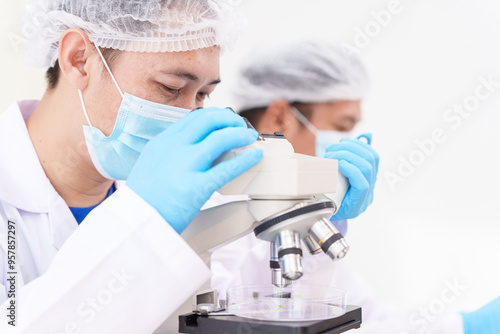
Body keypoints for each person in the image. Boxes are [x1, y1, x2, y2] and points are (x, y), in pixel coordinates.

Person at [0, 2, 378, 333]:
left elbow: (266, 305)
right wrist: (142, 222)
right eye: (169, 87)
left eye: (203, 95)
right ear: (79, 58)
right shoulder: (157, 198)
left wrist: (316, 211)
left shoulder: (190, 195)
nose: (187, 116)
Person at [219, 37, 500, 334]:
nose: (348, 142)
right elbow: (254, 323)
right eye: (341, 127)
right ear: (280, 117)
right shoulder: (213, 209)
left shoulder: (300, 209)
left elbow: (368, 319)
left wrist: (465, 326)